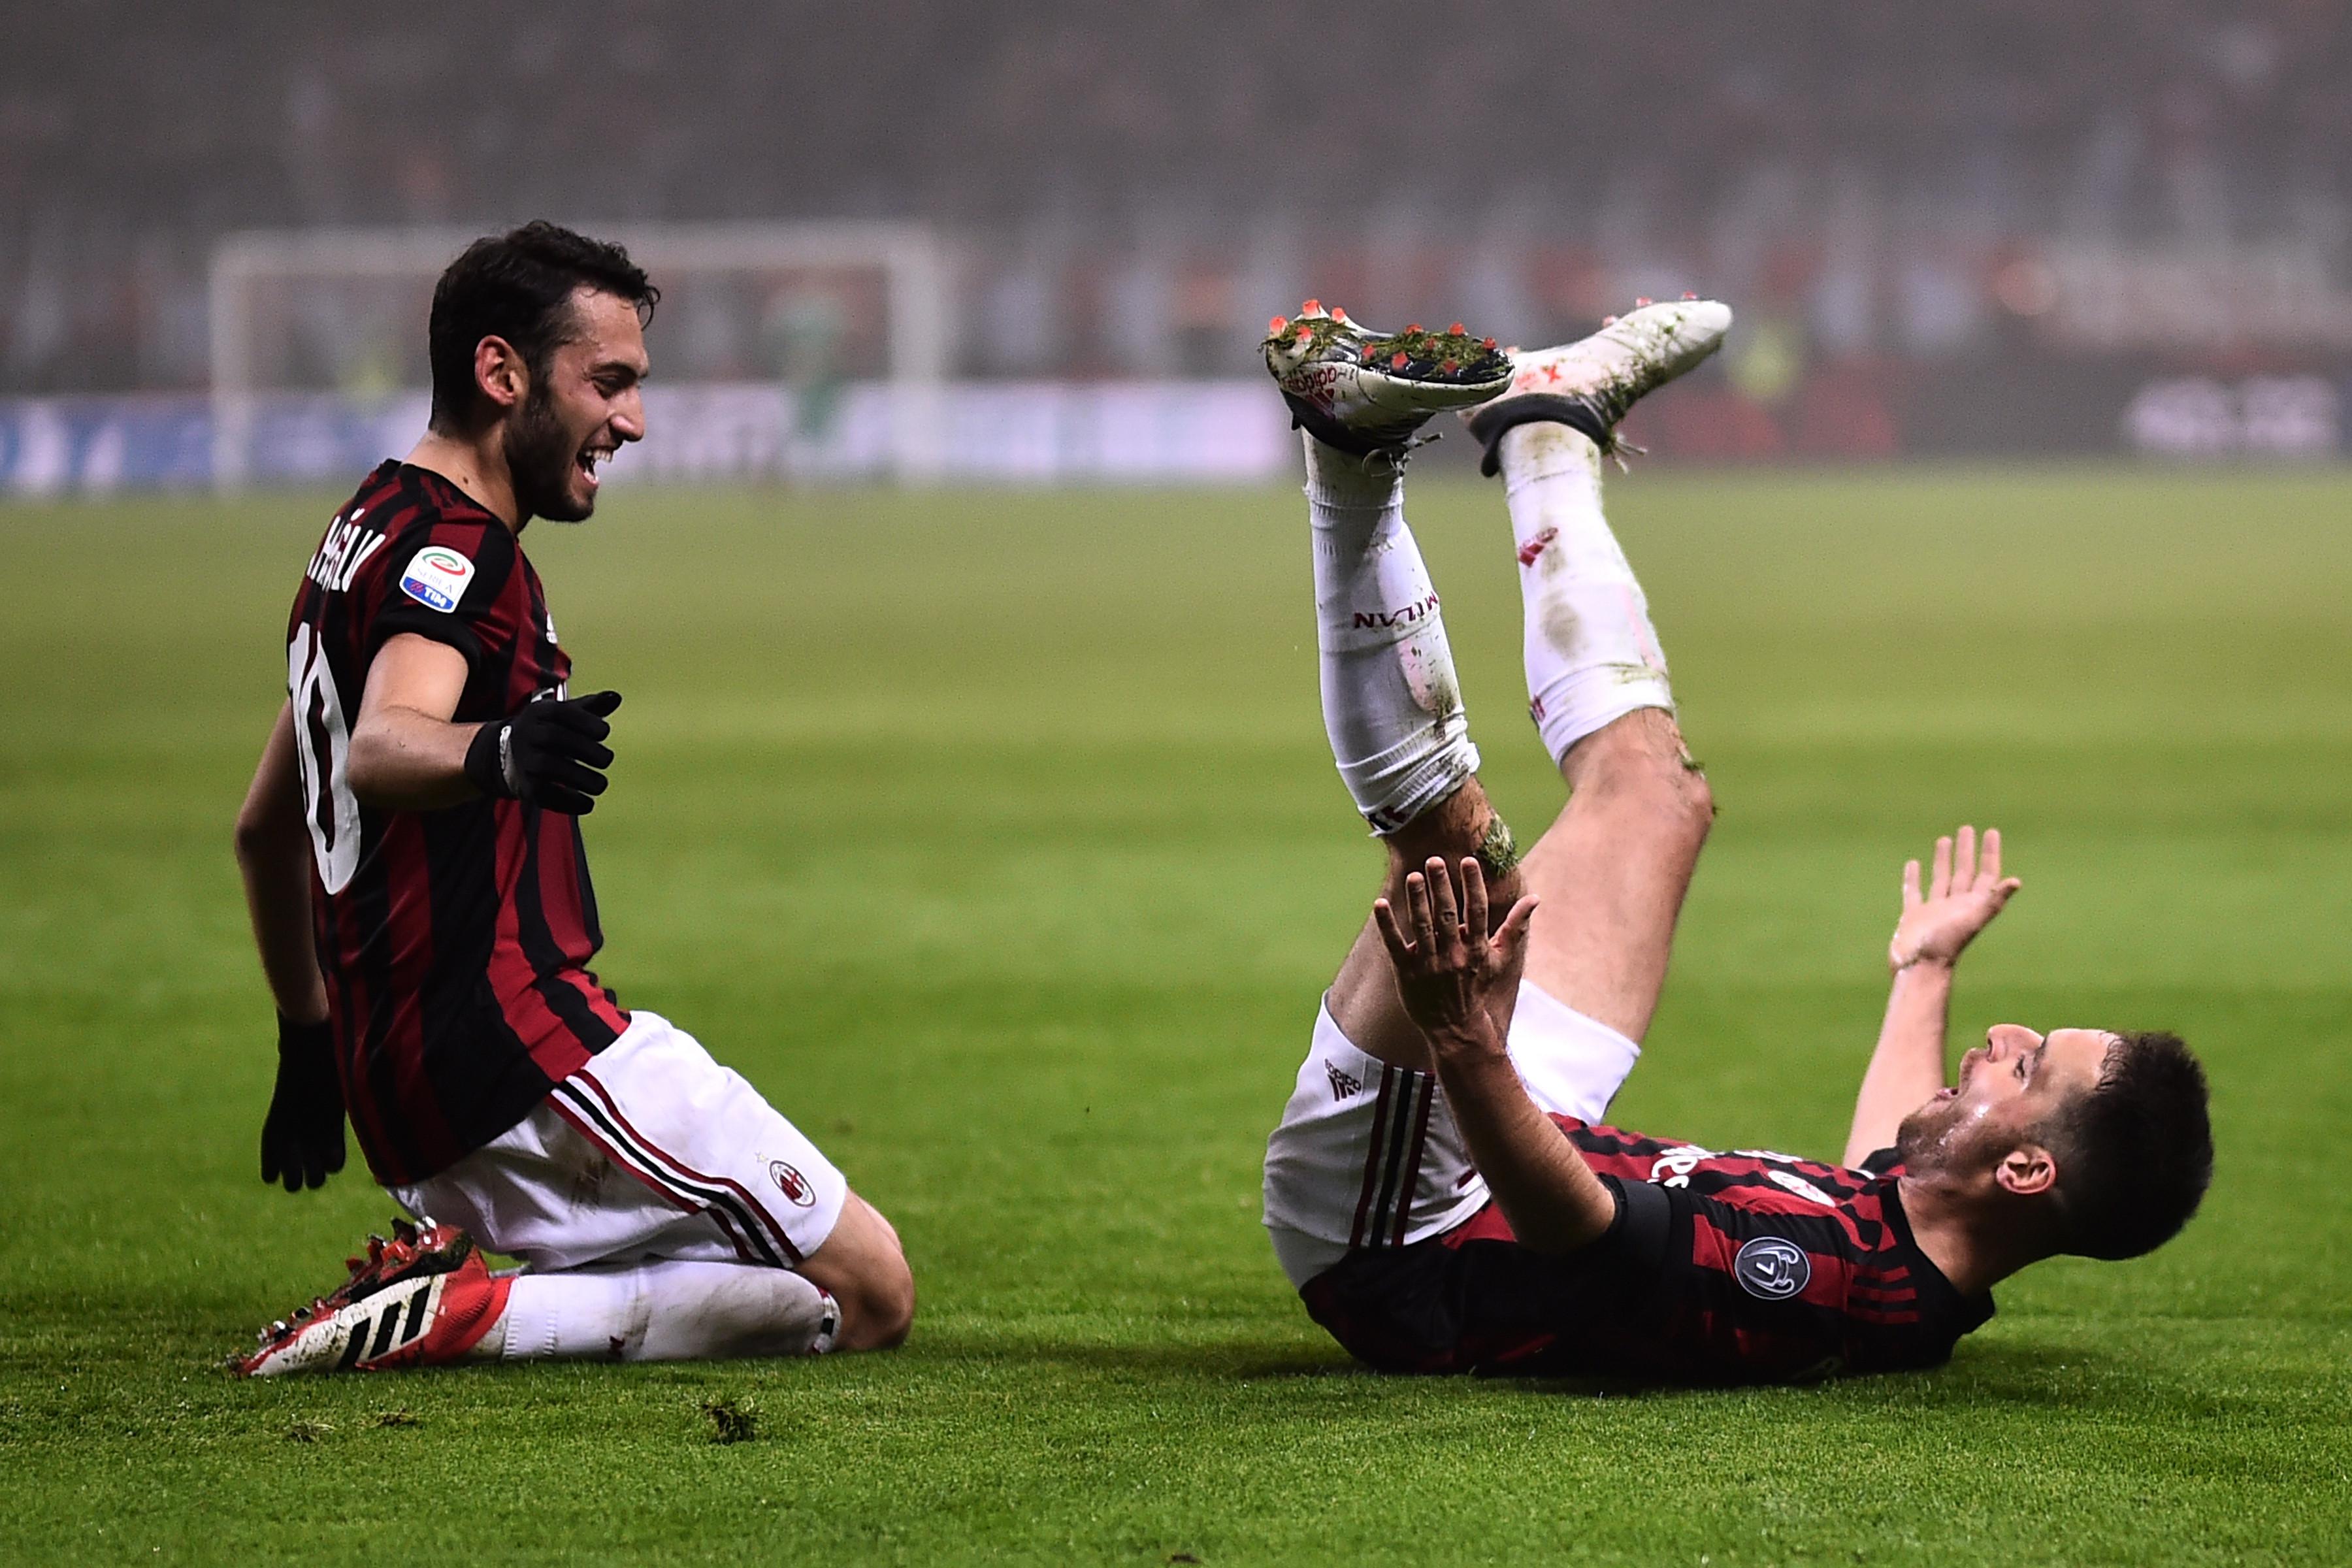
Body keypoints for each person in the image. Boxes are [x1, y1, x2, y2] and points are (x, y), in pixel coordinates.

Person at [1258, 298, 2213, 1382]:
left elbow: (1581, 1237)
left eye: (2028, 1065)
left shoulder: (1831, 1287)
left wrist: (1469, 1046)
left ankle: (1344, 446)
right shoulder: (1919, 1235)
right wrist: (1925, 968)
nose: (2004, 1035)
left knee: (1466, 869)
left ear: (2028, 1173)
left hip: (1410, 1236)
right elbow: (1881, 1162)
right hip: (1524, 1124)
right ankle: (1547, 424)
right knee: (1657, 794)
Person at [230, 221, 913, 1375]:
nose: (632, 420)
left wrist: (309, 1040)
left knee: (776, 1287)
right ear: (503, 373)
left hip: (403, 1098)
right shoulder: (464, 555)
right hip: (526, 1059)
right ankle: (473, 1314)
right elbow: (381, 748)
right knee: (874, 1294)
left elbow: (264, 828)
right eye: (608, 382)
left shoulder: (364, 530)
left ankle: (472, 1291)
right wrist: (497, 751)